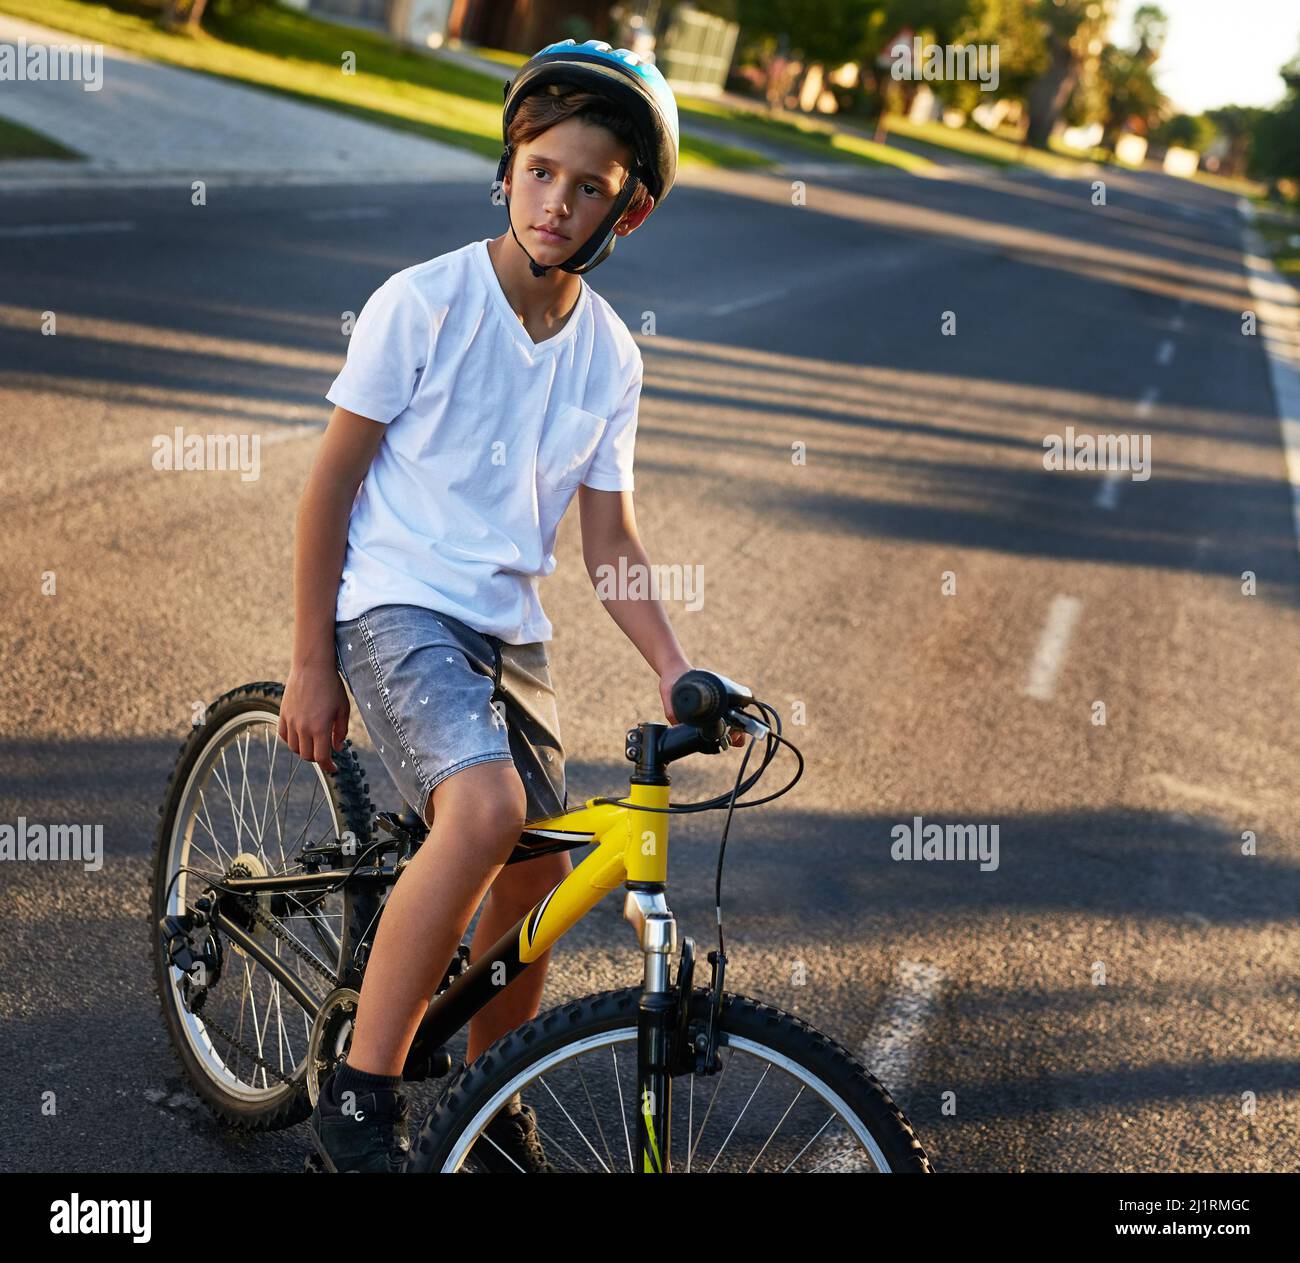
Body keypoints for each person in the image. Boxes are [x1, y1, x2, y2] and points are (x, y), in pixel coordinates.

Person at [278, 38, 740, 1173]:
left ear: (624, 215)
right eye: (541, 170)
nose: (557, 200)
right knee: (481, 816)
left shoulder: (610, 357)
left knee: (538, 864)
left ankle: (487, 1101)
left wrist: (676, 666)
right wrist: (309, 659)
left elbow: (609, 539)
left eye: (589, 186)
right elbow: (330, 484)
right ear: (508, 167)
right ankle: (359, 1095)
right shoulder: (425, 303)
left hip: (505, 632)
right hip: (394, 603)